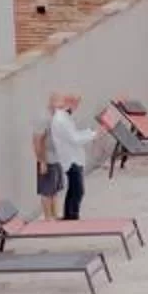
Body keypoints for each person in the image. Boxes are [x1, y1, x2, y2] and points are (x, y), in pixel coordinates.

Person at [44, 93, 100, 222]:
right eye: (76, 103)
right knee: (78, 190)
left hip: (73, 158)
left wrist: (91, 133)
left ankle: (69, 216)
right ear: (69, 102)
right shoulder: (61, 119)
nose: (77, 106)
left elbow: (74, 134)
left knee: (73, 189)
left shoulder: (64, 117)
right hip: (71, 159)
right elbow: (75, 138)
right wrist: (94, 134)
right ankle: (72, 217)